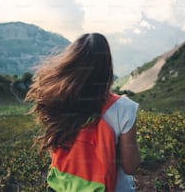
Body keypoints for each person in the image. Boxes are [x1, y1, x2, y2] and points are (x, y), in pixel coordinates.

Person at [25, 33, 140, 191]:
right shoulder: (124, 108)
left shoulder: (60, 101)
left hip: (63, 186)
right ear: (106, 67)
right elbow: (130, 167)